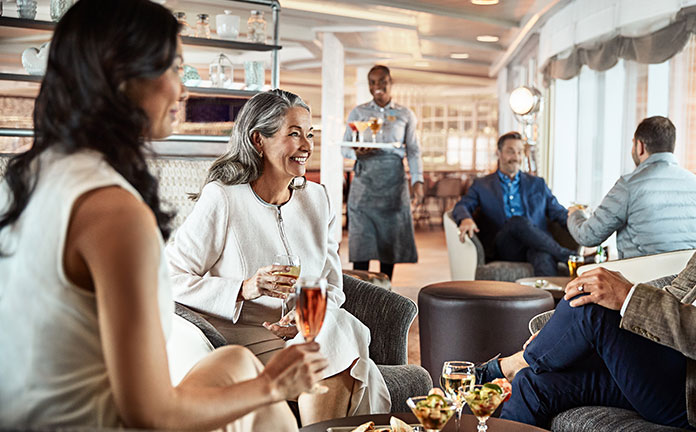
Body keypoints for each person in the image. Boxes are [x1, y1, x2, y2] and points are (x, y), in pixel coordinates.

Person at [0, 1, 326, 430]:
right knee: (257, 387)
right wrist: (273, 386)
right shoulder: (114, 212)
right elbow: (151, 413)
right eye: (174, 68)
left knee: (232, 359)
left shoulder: (27, 177)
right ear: (122, 78)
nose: (184, 89)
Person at [474, 72, 696, 430]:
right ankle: (522, 366)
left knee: (593, 302)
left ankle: (506, 365)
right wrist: (621, 318)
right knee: (533, 385)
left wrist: (627, 297)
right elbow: (680, 287)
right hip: (668, 361)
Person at [165, 89, 391, 425]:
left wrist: (303, 318)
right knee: (342, 342)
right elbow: (169, 278)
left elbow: (331, 285)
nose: (306, 146)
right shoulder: (223, 199)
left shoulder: (317, 200)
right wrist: (245, 288)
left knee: (329, 326)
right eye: (294, 134)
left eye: (309, 134)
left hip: (306, 333)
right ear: (259, 140)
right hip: (244, 342)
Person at [567, 116, 696, 259]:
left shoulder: (629, 186)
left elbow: (588, 236)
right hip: (693, 283)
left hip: (644, 282)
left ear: (640, 146)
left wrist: (576, 214)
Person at [452, 132, 576, 276]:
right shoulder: (482, 185)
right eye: (510, 151)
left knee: (544, 256)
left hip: (536, 244)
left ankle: (550, 298)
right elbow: (462, 205)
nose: (516, 157)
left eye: (520, 152)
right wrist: (465, 219)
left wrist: (580, 224)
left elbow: (558, 212)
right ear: (499, 153)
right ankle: (567, 256)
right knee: (517, 222)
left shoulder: (537, 184)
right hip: (505, 247)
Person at [342, 65, 424, 281]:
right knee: (362, 243)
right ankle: (362, 296)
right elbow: (344, 147)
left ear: (390, 82)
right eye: (372, 82)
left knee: (390, 244)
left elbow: (413, 150)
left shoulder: (405, 114)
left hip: (393, 183)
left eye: (381, 81)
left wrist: (418, 180)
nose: (377, 86)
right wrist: (355, 151)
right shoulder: (358, 112)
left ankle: (386, 295)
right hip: (364, 183)